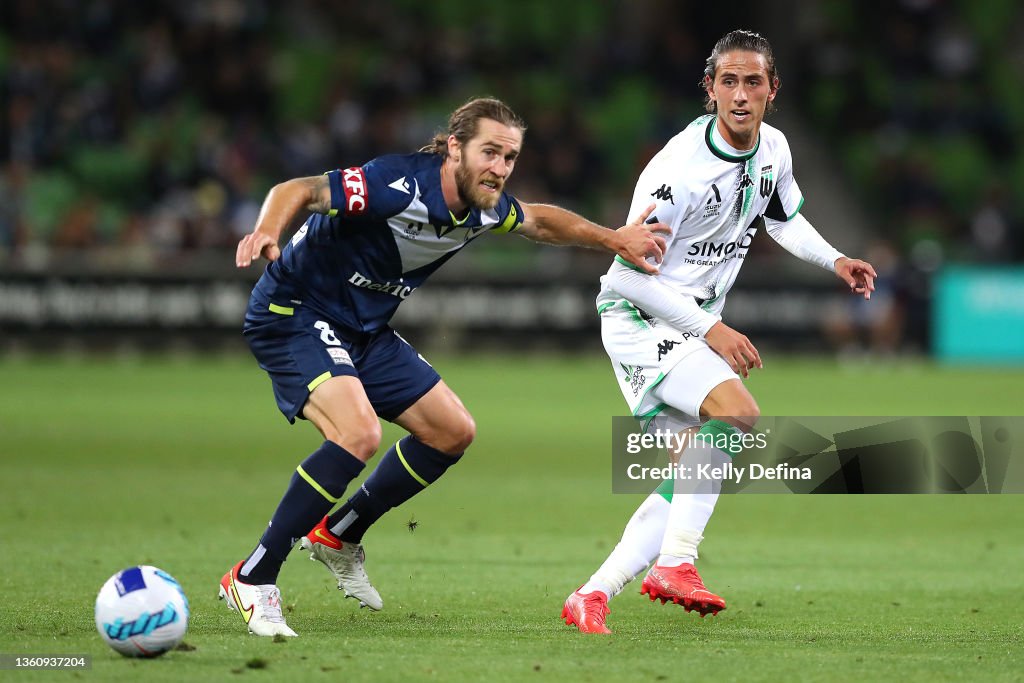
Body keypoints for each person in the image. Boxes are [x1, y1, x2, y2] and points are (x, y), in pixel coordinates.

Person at [217, 96, 668, 637]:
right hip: (293, 313)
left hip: (363, 331)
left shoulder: (486, 207)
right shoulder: (395, 185)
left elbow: (542, 221)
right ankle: (253, 575)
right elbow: (300, 190)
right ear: (454, 146)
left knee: (451, 432)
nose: (500, 168)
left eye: (510, 157)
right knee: (357, 433)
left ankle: (339, 533)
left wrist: (614, 238)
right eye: (490, 152)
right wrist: (268, 228)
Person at [560, 30, 877, 634]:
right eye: (727, 81)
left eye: (751, 81)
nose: (740, 94)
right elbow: (626, 279)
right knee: (738, 415)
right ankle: (676, 564)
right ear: (709, 89)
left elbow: (782, 219)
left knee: (693, 477)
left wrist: (835, 259)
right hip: (640, 317)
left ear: (772, 90)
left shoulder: (775, 149)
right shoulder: (676, 171)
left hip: (687, 321)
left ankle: (592, 594)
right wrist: (713, 330)